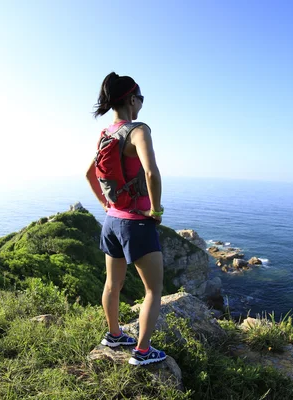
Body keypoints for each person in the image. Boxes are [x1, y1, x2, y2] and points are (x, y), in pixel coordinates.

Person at [86, 72, 166, 366]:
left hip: (112, 222)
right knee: (153, 289)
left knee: (112, 283)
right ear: (132, 100)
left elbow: (89, 174)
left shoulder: (107, 134)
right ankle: (143, 352)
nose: (142, 103)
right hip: (136, 223)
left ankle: (114, 334)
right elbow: (151, 173)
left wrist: (107, 206)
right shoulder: (138, 131)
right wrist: (155, 210)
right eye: (141, 98)